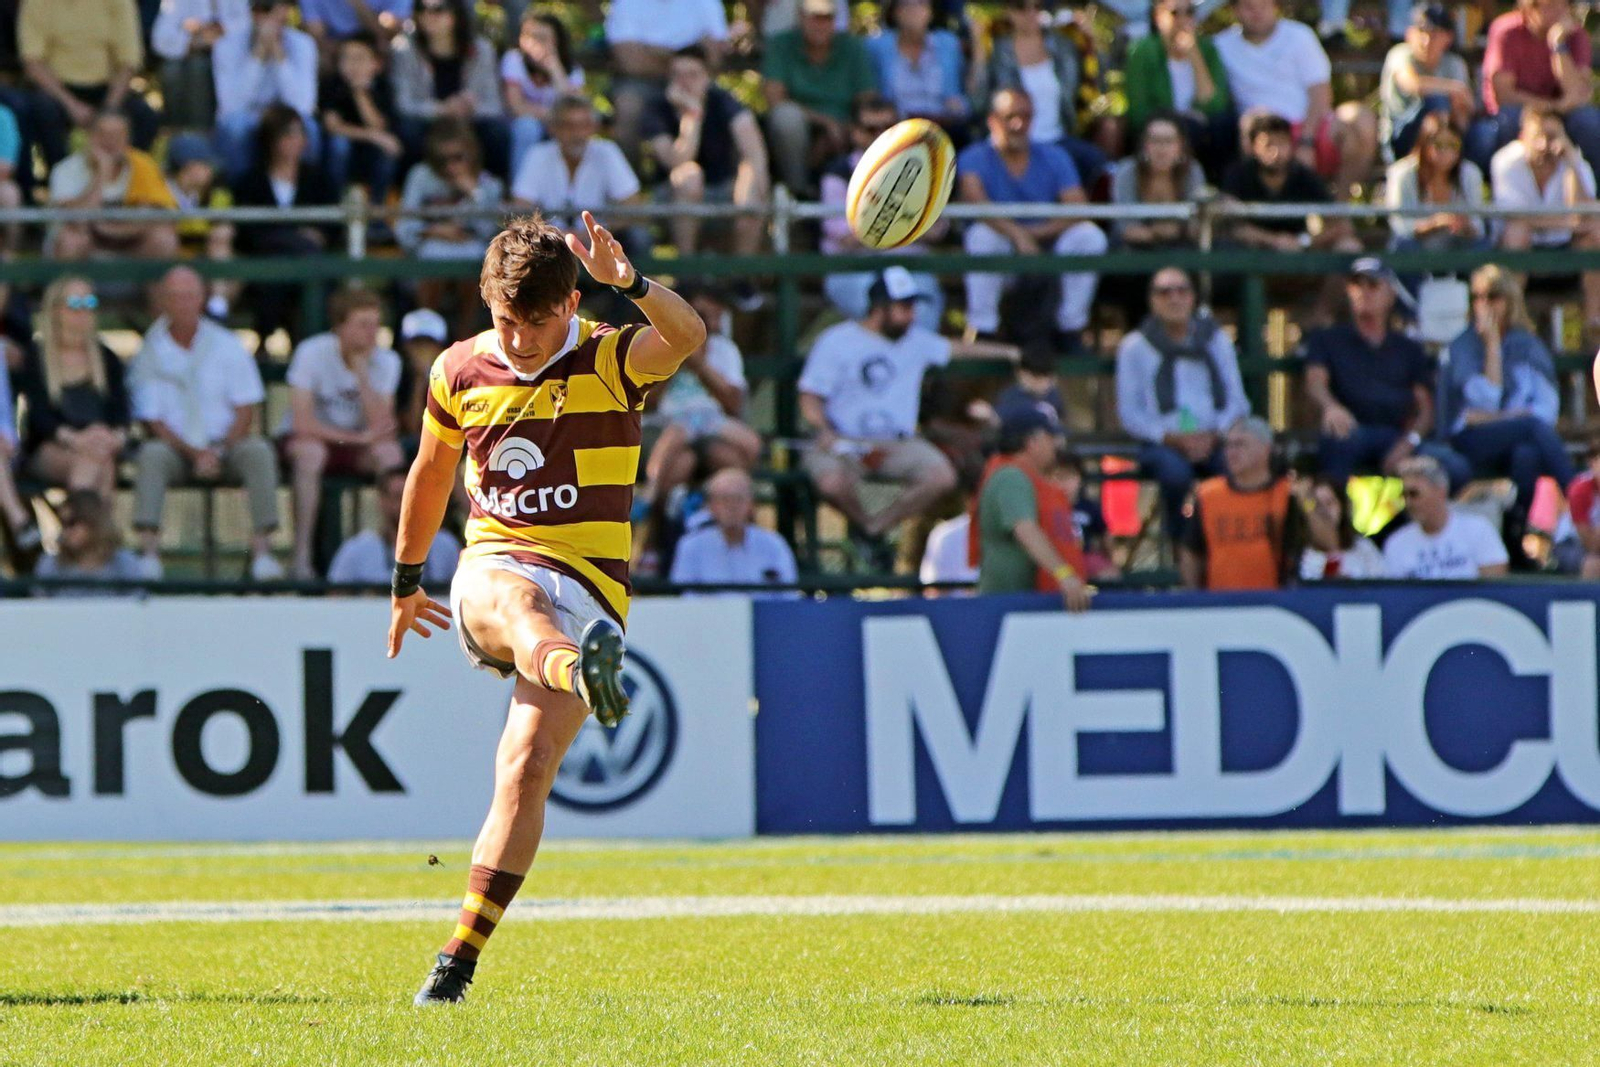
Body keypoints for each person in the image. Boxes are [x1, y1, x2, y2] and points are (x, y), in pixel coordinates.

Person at [391, 211, 707, 1005]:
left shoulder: (608, 355)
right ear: (486, 306)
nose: (521, 340)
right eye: (506, 322)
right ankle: (577, 668)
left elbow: (689, 336)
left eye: (536, 322)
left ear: (570, 304)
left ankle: (456, 962)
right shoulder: (459, 371)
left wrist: (629, 282)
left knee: (525, 769)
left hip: (593, 586)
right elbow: (431, 475)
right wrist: (405, 582)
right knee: (522, 599)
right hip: (493, 567)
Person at [129, 267, 284, 582]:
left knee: (259, 451)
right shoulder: (149, 353)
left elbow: (245, 407)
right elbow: (151, 419)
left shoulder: (227, 345)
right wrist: (194, 454)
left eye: (190, 295)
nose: (183, 303)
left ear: (201, 298)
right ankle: (148, 555)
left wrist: (217, 450)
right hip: (175, 450)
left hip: (226, 446)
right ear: (163, 300)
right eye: (175, 296)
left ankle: (263, 553)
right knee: (150, 455)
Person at [799, 266, 963, 551]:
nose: (912, 315)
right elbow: (810, 398)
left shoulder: (917, 341)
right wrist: (824, 431)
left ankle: (877, 527)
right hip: (843, 440)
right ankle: (864, 526)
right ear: (880, 308)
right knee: (831, 481)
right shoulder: (836, 341)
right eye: (904, 307)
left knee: (941, 475)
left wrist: (1011, 352)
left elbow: (957, 349)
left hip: (897, 442)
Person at [1438, 264, 1575, 553]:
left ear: (1510, 300)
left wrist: (1495, 419)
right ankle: (1579, 499)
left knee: (1528, 454)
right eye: (1477, 297)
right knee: (1530, 430)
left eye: (1493, 296)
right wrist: (1491, 347)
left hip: (1518, 440)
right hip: (1467, 443)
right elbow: (1481, 404)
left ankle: (1515, 539)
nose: (1484, 305)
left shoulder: (1528, 345)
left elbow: (1545, 410)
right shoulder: (1463, 347)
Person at [958, 88, 1109, 350]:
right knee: (982, 236)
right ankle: (983, 329)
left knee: (1089, 236)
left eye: (1026, 116)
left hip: (1048, 247)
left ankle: (1070, 328)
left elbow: (1077, 208)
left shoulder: (1054, 156)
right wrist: (1018, 236)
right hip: (1003, 250)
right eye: (1011, 116)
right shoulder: (973, 157)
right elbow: (977, 205)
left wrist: (1033, 236)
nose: (1019, 124)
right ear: (993, 120)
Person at [1116, 266, 1251, 539]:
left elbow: (1237, 400)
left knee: (1239, 466)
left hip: (1216, 438)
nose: (1174, 298)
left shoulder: (1216, 339)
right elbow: (1130, 413)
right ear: (1152, 301)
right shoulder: (1134, 347)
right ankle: (1181, 547)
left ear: (1192, 298)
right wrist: (1172, 439)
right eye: (1164, 292)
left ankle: (1227, 543)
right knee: (1175, 474)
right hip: (1162, 443)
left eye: (1181, 290)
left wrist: (1215, 435)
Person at [1303, 258, 1462, 488]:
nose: (1364, 292)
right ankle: (1333, 517)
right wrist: (1330, 407)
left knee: (1454, 467)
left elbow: (1426, 409)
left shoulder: (1409, 348)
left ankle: (1408, 524)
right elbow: (1315, 382)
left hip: (1397, 434)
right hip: (1350, 430)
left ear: (1390, 295)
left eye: (1373, 285)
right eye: (1357, 285)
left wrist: (1409, 441)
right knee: (1338, 441)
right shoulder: (1328, 340)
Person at [281, 287, 404, 578]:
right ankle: (302, 557)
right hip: (315, 441)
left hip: (359, 446)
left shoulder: (387, 361)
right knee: (311, 454)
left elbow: (383, 428)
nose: (371, 333)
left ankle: (395, 550)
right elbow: (302, 423)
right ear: (340, 327)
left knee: (390, 455)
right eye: (362, 325)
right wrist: (358, 439)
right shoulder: (311, 352)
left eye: (375, 325)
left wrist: (361, 372)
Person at [636, 283, 761, 564]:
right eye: (703, 315)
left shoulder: (725, 350)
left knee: (731, 457)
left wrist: (701, 366)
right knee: (681, 464)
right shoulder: (655, 345)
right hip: (662, 427)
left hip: (711, 428)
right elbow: (648, 402)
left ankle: (733, 534)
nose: (711, 323)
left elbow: (733, 404)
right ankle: (661, 539)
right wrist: (676, 358)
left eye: (715, 316)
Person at [1213, 0, 1377, 200]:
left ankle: (1338, 208)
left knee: (1356, 125)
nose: (1257, 13)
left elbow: (1320, 93)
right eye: (1249, 7)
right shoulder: (1221, 45)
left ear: (1275, 7)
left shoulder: (1300, 36)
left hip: (1308, 126)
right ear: (1234, 10)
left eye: (1263, 6)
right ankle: (1256, 214)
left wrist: (1305, 141)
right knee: (1250, 124)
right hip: (1259, 132)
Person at [818, 93, 944, 329]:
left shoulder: (924, 169)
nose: (880, 136)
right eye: (870, 129)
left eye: (888, 128)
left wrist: (875, 228)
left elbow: (936, 230)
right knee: (882, 319)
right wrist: (905, 226)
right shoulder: (838, 173)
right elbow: (845, 238)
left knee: (922, 317)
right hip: (854, 270)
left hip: (911, 268)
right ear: (855, 132)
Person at [645, 45, 770, 270]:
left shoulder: (723, 101)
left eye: (693, 74)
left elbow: (755, 152)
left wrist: (748, 188)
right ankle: (687, 273)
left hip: (725, 190)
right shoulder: (657, 107)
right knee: (689, 176)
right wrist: (692, 116)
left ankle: (743, 276)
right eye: (677, 75)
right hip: (671, 197)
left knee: (752, 175)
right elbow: (676, 161)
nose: (685, 82)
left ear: (707, 77)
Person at [15, 278, 128, 501]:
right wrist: (76, 439)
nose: (83, 310)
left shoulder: (107, 358)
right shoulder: (37, 358)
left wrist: (112, 438)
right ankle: (88, 530)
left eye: (90, 302)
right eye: (76, 303)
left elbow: (120, 412)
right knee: (92, 462)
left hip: (101, 446)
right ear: (56, 310)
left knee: (99, 461)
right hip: (51, 447)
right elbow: (40, 418)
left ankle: (80, 529)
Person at [969, 407, 1093, 611]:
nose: (1056, 444)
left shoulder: (1026, 478)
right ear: (1032, 441)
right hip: (1006, 607)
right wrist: (1064, 575)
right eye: (1050, 437)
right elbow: (1025, 529)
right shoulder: (1011, 477)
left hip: (1024, 605)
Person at [1491, 106, 1600, 336]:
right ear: (1523, 137)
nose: (1544, 145)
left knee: (1595, 234)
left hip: (1566, 251)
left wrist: (1571, 164)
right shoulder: (1505, 162)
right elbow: (1518, 217)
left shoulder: (1572, 159)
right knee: (1517, 233)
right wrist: (1571, 222)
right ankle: (1515, 326)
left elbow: (1585, 213)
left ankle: (1594, 325)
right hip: (1522, 254)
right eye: (1537, 137)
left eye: (1551, 137)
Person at [233, 104, 339, 340]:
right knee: (281, 265)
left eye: (300, 133)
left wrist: (300, 237)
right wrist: (298, 237)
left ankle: (294, 338)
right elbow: (249, 232)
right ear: (271, 139)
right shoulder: (251, 181)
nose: (296, 140)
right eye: (287, 134)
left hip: (308, 265)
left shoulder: (319, 179)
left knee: (309, 265)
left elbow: (331, 228)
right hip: (264, 264)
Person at [18, 0, 160, 167]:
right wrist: (72, 105)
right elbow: (32, 62)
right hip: (57, 91)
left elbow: (129, 61)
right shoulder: (36, 3)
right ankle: (60, 179)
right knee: (42, 110)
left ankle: (124, 180)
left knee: (145, 115)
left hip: (107, 90)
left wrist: (108, 110)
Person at [395, 120, 505, 333]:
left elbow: (490, 233)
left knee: (481, 266)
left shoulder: (488, 184)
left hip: (471, 249)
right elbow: (405, 229)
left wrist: (474, 193)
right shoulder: (420, 176)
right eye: (442, 159)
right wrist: (434, 231)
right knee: (432, 261)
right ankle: (427, 335)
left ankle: (465, 335)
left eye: (457, 157)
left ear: (471, 154)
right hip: (427, 247)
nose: (450, 166)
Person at [1468, 0, 1600, 177]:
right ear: (1529, 7)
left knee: (1589, 122)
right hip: (1518, 111)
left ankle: (1593, 193)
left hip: (1563, 112)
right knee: (1497, 128)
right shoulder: (1506, 30)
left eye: (1562, 5)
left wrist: (1558, 45)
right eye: (1549, 5)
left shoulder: (1576, 35)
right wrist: (1550, 107)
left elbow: (1579, 93)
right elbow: (1504, 95)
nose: (1557, 12)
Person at [1179, 416, 1308, 591]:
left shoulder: (1287, 494)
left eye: (1240, 444)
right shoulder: (1208, 495)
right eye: (1228, 445)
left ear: (1265, 449)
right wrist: (1194, 596)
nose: (1231, 452)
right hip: (1221, 603)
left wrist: (1308, 501)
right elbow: (1191, 551)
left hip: (1274, 603)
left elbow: (1317, 544)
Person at [760, 0, 874, 196]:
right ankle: (798, 192)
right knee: (786, 118)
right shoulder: (781, 45)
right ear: (800, 18)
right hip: (800, 130)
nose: (820, 24)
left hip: (847, 128)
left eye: (826, 18)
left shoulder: (853, 47)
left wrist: (848, 129)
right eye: (814, 17)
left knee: (877, 121)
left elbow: (868, 98)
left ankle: (870, 191)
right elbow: (775, 99)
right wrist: (826, 124)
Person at [390, 0, 507, 176]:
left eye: (438, 9)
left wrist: (468, 108)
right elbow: (403, 104)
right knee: (408, 131)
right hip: (427, 123)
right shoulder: (404, 48)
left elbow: (495, 106)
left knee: (497, 133)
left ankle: (496, 191)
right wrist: (441, 109)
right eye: (422, 9)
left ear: (456, 14)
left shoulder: (482, 50)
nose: (428, 16)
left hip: (470, 123)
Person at [603, 0, 728, 164]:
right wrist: (687, 54)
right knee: (628, 109)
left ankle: (720, 178)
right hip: (641, 83)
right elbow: (629, 60)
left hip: (694, 78)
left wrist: (651, 51)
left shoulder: (706, 3)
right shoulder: (626, 4)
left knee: (724, 106)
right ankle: (630, 184)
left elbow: (714, 56)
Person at [46, 109, 179, 261]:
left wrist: (111, 230)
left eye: (117, 135)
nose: (109, 141)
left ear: (128, 139)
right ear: (89, 136)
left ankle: (151, 284)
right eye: (102, 134)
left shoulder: (144, 166)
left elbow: (164, 216)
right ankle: (73, 284)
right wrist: (102, 172)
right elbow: (77, 221)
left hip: (130, 240)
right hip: (87, 242)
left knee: (163, 238)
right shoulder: (66, 169)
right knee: (71, 240)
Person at [1221, 111, 1361, 255]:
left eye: (1282, 143)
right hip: (1252, 255)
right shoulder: (1239, 175)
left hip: (1302, 256)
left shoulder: (1304, 176)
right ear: (1254, 147)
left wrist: (1304, 242)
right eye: (1268, 144)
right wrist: (1274, 241)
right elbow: (1231, 227)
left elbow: (1338, 223)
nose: (1276, 152)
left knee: (1348, 246)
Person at [212, 0, 321, 182]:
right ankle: (240, 198)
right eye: (257, 9)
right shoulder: (226, 45)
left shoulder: (304, 44)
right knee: (236, 127)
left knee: (308, 128)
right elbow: (231, 106)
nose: (261, 16)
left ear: (285, 11)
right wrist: (259, 54)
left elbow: (303, 105)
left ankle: (303, 198)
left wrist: (278, 53)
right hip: (247, 115)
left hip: (285, 115)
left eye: (268, 9)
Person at [1123, 0, 1234, 175]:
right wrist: (1177, 120)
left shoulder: (1208, 49)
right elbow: (1138, 112)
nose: (1183, 19)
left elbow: (1215, 105)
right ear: (1158, 17)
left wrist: (1195, 55)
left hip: (1202, 128)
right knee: (1188, 129)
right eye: (1175, 13)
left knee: (1224, 126)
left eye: (1189, 12)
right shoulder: (1142, 51)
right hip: (1159, 128)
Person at [510, 94, 642, 238]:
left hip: (600, 242)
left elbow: (633, 205)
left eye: (584, 126)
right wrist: (555, 236)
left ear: (593, 128)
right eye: (568, 126)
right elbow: (521, 208)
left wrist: (597, 233)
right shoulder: (538, 154)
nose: (577, 134)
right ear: (553, 128)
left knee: (637, 236)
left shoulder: (607, 151)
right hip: (547, 243)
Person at [668, 467, 797, 595]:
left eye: (738, 499)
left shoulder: (774, 545)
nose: (731, 506)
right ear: (711, 506)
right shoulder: (691, 547)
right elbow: (686, 600)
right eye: (724, 499)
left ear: (751, 505)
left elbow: (788, 597)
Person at [328, 465, 459, 585]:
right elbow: (334, 599)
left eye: (414, 496)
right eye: (398, 497)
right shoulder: (357, 550)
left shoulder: (446, 546)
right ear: (382, 501)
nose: (407, 504)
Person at [1383, 454, 1509, 578]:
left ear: (1440, 492)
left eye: (1414, 494)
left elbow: (1493, 585)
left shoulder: (1478, 530)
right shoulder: (1396, 543)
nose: (1408, 502)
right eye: (1404, 495)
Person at [1385, 110, 1488, 257]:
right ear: (1424, 143)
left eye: (1453, 145)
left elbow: (1478, 226)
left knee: (1482, 246)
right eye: (1439, 145)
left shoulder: (1470, 173)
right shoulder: (1402, 174)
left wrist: (1465, 226)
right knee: (1403, 247)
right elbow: (1399, 226)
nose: (1446, 152)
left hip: (1457, 243)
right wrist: (1434, 223)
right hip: (1416, 245)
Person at [1378, 3, 1473, 162]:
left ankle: (1454, 162)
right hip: (1400, 136)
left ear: (1448, 37)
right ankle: (1439, 155)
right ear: (1409, 33)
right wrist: (1454, 88)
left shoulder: (1455, 64)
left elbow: (1466, 108)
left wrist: (1460, 102)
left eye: (1434, 34)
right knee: (1437, 101)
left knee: (1482, 131)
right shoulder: (1400, 54)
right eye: (1421, 32)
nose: (1426, 41)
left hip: (1450, 133)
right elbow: (1412, 84)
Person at [320, 32, 404, 206]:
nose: (352, 64)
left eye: (359, 58)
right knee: (339, 145)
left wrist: (360, 94)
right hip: (341, 154)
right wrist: (374, 136)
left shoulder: (385, 87)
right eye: (346, 58)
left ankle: (376, 211)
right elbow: (333, 126)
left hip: (371, 153)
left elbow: (379, 125)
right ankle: (335, 206)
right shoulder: (331, 85)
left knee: (388, 154)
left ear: (376, 64)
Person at [866, 0, 967, 136]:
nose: (914, 10)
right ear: (894, 12)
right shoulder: (876, 46)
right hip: (895, 129)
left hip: (944, 127)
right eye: (906, 4)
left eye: (921, 3)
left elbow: (963, 96)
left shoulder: (948, 43)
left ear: (931, 11)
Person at [501, 10, 583, 178]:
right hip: (518, 129)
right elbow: (516, 107)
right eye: (529, 36)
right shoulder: (513, 59)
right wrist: (553, 116)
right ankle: (521, 190)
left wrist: (554, 69)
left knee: (571, 132)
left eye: (542, 37)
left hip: (557, 127)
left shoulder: (572, 70)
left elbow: (573, 108)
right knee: (527, 127)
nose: (534, 43)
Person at [151, 0, 251, 130]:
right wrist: (192, 42)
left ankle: (201, 133)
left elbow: (247, 25)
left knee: (198, 67)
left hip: (233, 65)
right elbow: (160, 40)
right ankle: (177, 134)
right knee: (172, 70)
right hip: (190, 59)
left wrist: (217, 31)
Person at [1109, 114, 1204, 251]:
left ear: (1181, 146)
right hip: (1133, 251)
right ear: (1144, 145)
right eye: (1154, 140)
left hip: (1182, 249)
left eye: (1168, 141)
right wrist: (1158, 233)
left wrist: (1179, 231)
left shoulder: (1192, 171)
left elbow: (1197, 226)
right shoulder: (1127, 171)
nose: (1161, 148)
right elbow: (1125, 228)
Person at [32, 489, 145, 596]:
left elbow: (137, 606)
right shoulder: (50, 565)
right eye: (63, 524)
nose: (66, 531)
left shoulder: (124, 563)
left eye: (72, 523)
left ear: (94, 522)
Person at [1297, 475, 1386, 580]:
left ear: (1341, 506)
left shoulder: (1364, 548)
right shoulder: (1302, 555)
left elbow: (1383, 585)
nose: (1324, 510)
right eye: (1317, 505)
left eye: (1329, 503)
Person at [395, 307, 449, 442]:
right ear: (405, 346)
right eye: (417, 344)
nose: (423, 350)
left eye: (429, 344)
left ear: (440, 347)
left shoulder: (451, 376)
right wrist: (419, 380)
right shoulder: (396, 374)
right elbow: (411, 427)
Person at [1563, 438, 1600, 577]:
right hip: (1571, 544)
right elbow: (1591, 544)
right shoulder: (1580, 490)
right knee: (1594, 564)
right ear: (1593, 463)